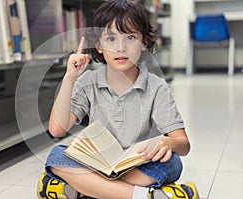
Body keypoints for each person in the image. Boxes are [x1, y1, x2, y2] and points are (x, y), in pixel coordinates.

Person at [37, 0, 199, 199]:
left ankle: (83, 189)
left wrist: (168, 143)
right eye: (111, 39)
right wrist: (69, 77)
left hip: (136, 164)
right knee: (57, 156)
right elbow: (56, 129)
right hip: (97, 160)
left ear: (144, 43)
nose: (121, 48)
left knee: (173, 163)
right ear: (98, 45)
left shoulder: (156, 87)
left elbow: (183, 144)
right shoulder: (87, 81)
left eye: (130, 37)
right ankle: (144, 196)